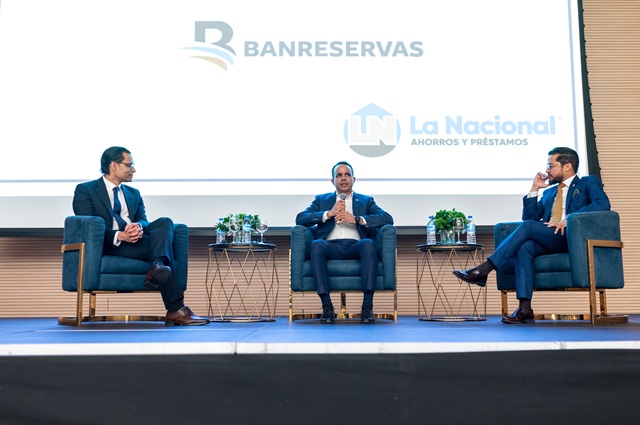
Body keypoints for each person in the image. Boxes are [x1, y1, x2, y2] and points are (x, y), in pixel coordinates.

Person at [452, 147, 611, 324]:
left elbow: (602, 204)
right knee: (525, 247)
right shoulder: (549, 192)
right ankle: (525, 309)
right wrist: (534, 189)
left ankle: (485, 269)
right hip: (551, 237)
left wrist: (570, 219)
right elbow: (530, 218)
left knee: (528, 229)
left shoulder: (587, 183)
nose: (547, 170)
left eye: (551, 166)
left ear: (567, 166)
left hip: (572, 237)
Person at [72, 146, 209, 326]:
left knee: (165, 222)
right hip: (111, 245)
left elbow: (143, 220)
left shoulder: (133, 193)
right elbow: (87, 227)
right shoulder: (86, 190)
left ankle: (158, 266)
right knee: (165, 249)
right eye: (129, 165)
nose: (133, 169)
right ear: (114, 165)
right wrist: (120, 236)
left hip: (136, 242)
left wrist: (137, 227)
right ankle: (175, 307)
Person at [296, 161, 394, 324]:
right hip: (330, 246)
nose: (343, 178)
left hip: (355, 246)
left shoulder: (365, 200)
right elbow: (300, 218)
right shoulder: (321, 200)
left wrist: (357, 219)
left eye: (347, 175)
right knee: (317, 244)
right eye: (339, 175)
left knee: (368, 243)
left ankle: (367, 306)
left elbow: (387, 218)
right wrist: (329, 213)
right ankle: (327, 306)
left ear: (353, 179)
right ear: (333, 181)